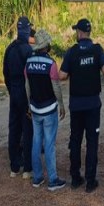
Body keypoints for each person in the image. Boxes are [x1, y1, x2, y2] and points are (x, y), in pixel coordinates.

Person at [59, 18, 104, 193]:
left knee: (75, 140)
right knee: (92, 141)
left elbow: (62, 75)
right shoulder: (97, 50)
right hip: (92, 105)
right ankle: (90, 180)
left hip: (76, 104)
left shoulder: (72, 52)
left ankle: (75, 178)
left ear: (79, 33)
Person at [25, 29, 66, 191]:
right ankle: (53, 179)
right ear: (46, 46)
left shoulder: (28, 62)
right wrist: (61, 104)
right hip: (49, 109)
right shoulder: (50, 63)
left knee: (36, 141)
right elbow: (56, 86)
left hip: (35, 108)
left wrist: (29, 104)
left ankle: (37, 177)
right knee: (49, 144)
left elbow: (26, 85)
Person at [2, 16, 34, 179]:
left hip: (13, 92)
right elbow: (31, 75)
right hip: (24, 92)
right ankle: (27, 168)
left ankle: (14, 166)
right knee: (27, 129)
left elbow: (5, 73)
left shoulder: (10, 48)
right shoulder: (27, 50)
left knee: (13, 129)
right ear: (27, 30)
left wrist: (10, 89)